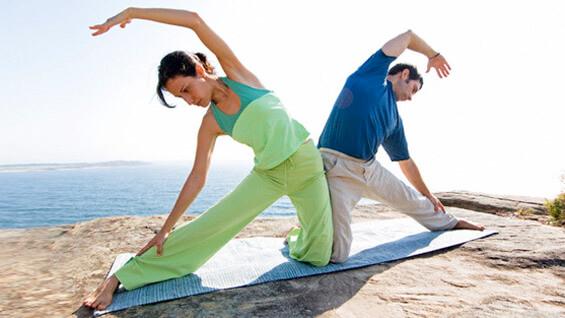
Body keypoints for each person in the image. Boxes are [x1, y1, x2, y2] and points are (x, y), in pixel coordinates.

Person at [83, 7, 333, 310]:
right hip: (268, 175)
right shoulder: (211, 123)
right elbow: (197, 176)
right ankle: (120, 277)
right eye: (181, 98)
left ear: (200, 71)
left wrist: (131, 12)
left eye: (186, 89)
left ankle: (296, 238)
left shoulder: (239, 75)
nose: (189, 101)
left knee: (318, 255)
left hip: (307, 165)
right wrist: (165, 229)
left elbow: (194, 20)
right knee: (206, 229)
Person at [318, 30, 485, 263]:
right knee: (338, 255)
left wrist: (429, 195)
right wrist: (433, 55)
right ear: (403, 74)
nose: (411, 97)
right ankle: (305, 233)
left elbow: (405, 162)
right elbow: (407, 37)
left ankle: (452, 223)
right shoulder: (367, 79)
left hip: (368, 169)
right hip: (337, 169)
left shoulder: (394, 119)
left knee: (412, 199)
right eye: (413, 89)